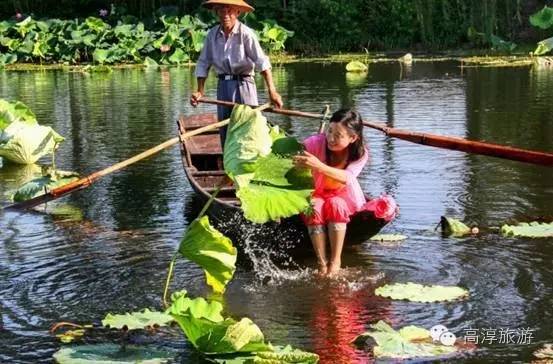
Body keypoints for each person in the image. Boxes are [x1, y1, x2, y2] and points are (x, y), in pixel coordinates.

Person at [189, 0, 283, 145]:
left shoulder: (246, 34)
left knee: (249, 128)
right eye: (221, 10)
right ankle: (228, 163)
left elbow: (261, 62)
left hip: (244, 85)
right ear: (216, 12)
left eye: (229, 10)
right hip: (223, 87)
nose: (225, 15)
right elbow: (203, 63)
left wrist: (272, 91)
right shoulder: (212, 35)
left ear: (237, 12)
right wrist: (200, 91)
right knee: (226, 129)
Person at [293, 109, 369, 277]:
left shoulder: (360, 153)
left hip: (342, 194)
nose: (331, 138)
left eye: (338, 135)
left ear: (352, 138)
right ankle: (321, 263)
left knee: (336, 205)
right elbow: (291, 160)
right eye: (329, 131)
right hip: (314, 192)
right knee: (314, 207)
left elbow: (347, 178)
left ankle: (336, 261)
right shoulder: (313, 143)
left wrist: (318, 166)